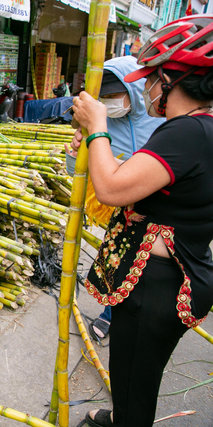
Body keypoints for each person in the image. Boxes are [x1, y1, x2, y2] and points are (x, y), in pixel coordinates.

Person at [70, 15, 213, 427]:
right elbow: (138, 186)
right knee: (134, 378)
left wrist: (98, 128)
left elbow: (113, 190)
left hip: (157, 285)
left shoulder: (185, 133)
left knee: (135, 380)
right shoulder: (196, 130)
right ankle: (122, 416)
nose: (146, 86)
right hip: (165, 281)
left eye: (151, 77)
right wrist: (95, 145)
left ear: (171, 79)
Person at [66, 57, 165, 340]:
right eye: (103, 98)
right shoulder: (99, 123)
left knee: (151, 271)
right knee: (119, 265)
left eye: (113, 96)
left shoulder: (160, 119)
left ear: (133, 91)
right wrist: (75, 153)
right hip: (118, 211)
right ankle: (110, 315)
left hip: (157, 211)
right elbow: (78, 172)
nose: (109, 103)